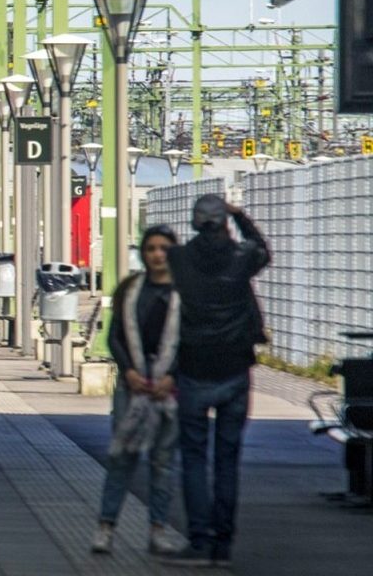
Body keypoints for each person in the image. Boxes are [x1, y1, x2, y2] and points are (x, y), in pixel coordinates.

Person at [162, 194, 270, 567]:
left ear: (194, 222)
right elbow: (262, 249)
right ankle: (222, 546)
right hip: (235, 370)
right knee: (227, 460)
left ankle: (198, 541)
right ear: (224, 221)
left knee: (193, 458)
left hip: (193, 369)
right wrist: (240, 215)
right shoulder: (241, 259)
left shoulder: (178, 260)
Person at [93, 226, 185, 556]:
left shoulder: (184, 294)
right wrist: (128, 370)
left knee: (162, 462)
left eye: (164, 248)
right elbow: (115, 336)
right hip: (131, 385)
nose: (158, 254)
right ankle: (106, 526)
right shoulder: (130, 290)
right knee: (122, 456)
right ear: (143, 254)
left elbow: (189, 342)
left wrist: (171, 377)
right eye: (151, 249)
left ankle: (158, 530)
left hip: (167, 389)